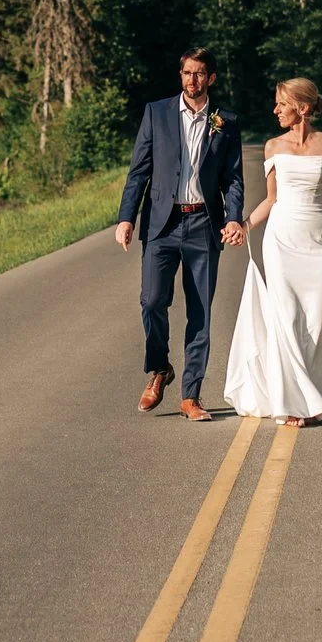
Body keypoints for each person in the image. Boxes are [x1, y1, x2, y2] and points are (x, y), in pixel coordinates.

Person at [116, 48, 246, 420]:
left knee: (201, 312)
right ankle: (160, 368)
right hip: (161, 224)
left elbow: (233, 178)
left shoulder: (226, 121)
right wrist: (127, 218)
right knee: (152, 301)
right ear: (181, 75)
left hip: (203, 225)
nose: (193, 80)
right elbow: (138, 171)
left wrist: (233, 217)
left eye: (200, 74)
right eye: (187, 73)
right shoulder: (156, 113)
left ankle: (191, 395)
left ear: (212, 78)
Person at [222, 77, 322, 427]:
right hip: (280, 240)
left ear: (303, 108)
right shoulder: (273, 147)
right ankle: (291, 402)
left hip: (319, 242)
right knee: (287, 318)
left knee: (315, 319)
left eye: (282, 104)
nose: (275, 110)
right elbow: (271, 199)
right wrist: (243, 225)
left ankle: (314, 395)